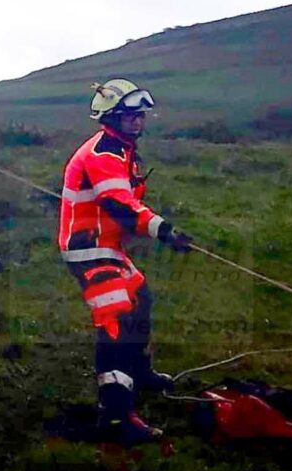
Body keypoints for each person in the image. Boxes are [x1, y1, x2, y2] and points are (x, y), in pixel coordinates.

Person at [58, 78, 194, 445]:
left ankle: (138, 371)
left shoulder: (121, 149)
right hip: (88, 248)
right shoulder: (104, 153)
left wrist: (161, 230)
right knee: (116, 317)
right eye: (128, 115)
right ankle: (116, 416)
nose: (137, 121)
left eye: (140, 115)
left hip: (108, 246)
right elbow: (119, 204)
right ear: (111, 118)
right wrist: (164, 230)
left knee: (140, 297)